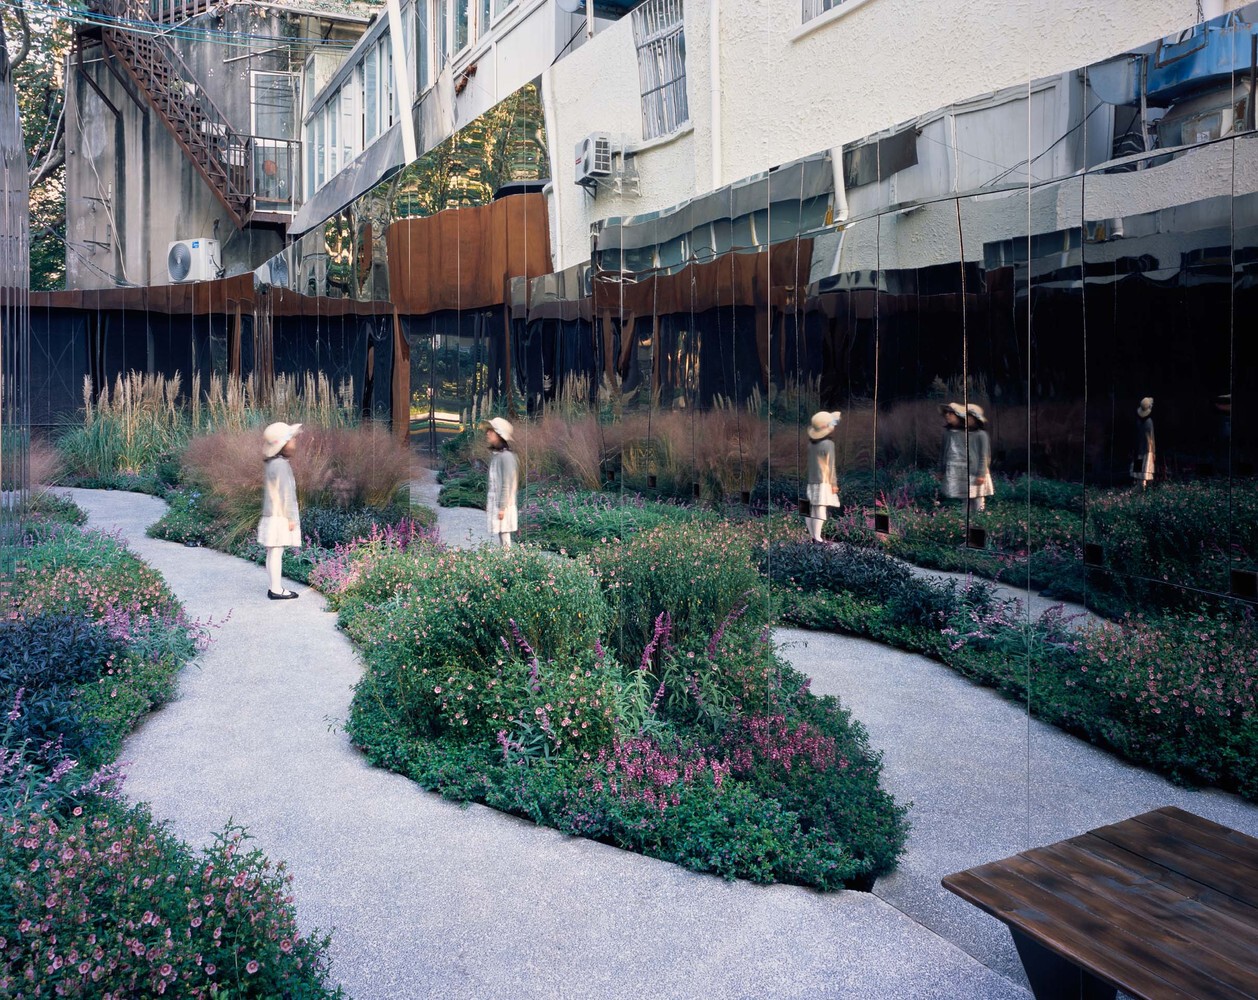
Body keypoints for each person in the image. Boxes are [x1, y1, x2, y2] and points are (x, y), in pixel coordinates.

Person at [258, 421, 303, 600]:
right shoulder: (282, 465)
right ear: (283, 444)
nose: (295, 442)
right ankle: (276, 589)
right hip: (280, 516)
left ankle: (273, 586)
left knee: (272, 552)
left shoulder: (272, 463)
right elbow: (286, 493)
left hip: (271, 515)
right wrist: (291, 517)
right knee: (277, 552)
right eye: (292, 439)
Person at [805, 410, 842, 543]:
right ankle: (817, 538)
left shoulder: (811, 445)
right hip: (823, 482)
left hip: (812, 481)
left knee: (813, 510)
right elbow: (830, 466)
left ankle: (813, 536)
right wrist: (834, 483)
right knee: (821, 512)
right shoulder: (828, 444)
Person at [486, 417, 519, 549]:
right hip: (498, 502)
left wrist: (502, 507)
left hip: (504, 505)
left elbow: (508, 482)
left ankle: (508, 561)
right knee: (501, 533)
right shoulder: (498, 455)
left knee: (505, 534)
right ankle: (506, 561)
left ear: (499, 435)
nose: (487, 433)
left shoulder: (507, 457)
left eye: (491, 431)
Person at [966, 403, 994, 512]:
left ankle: (980, 522)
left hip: (979, 472)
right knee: (968, 499)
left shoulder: (981, 435)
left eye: (970, 418)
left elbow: (984, 456)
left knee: (978, 499)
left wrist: (981, 474)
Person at [939, 402, 968, 501]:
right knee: (951, 494)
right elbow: (943, 452)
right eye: (946, 413)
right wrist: (941, 470)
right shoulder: (947, 432)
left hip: (965, 467)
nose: (947, 415)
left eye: (950, 413)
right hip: (951, 466)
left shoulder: (968, 432)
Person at [1131, 396, 1155, 490]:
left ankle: (1139, 487)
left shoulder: (1138, 422)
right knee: (1144, 471)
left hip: (1138, 449)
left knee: (1139, 471)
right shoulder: (1149, 422)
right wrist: (1153, 451)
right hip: (1146, 450)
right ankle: (1142, 489)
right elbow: (1151, 439)